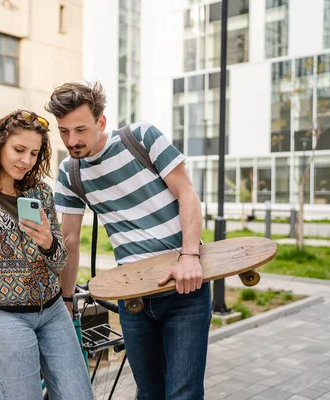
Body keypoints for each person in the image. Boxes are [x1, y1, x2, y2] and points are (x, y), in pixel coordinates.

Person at [46, 82, 210, 400]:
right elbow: (69, 240)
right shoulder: (70, 172)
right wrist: (66, 301)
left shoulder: (141, 138)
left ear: (101, 122)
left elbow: (187, 192)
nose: (72, 140)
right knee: (148, 394)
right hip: (132, 297)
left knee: (184, 394)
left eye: (80, 129)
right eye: (64, 131)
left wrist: (190, 256)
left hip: (184, 289)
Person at [0, 109, 94, 400]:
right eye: (19, 150)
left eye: (34, 153)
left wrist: (49, 241)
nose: (27, 161)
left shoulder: (41, 194)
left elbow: (60, 260)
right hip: (2, 317)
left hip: (53, 312)